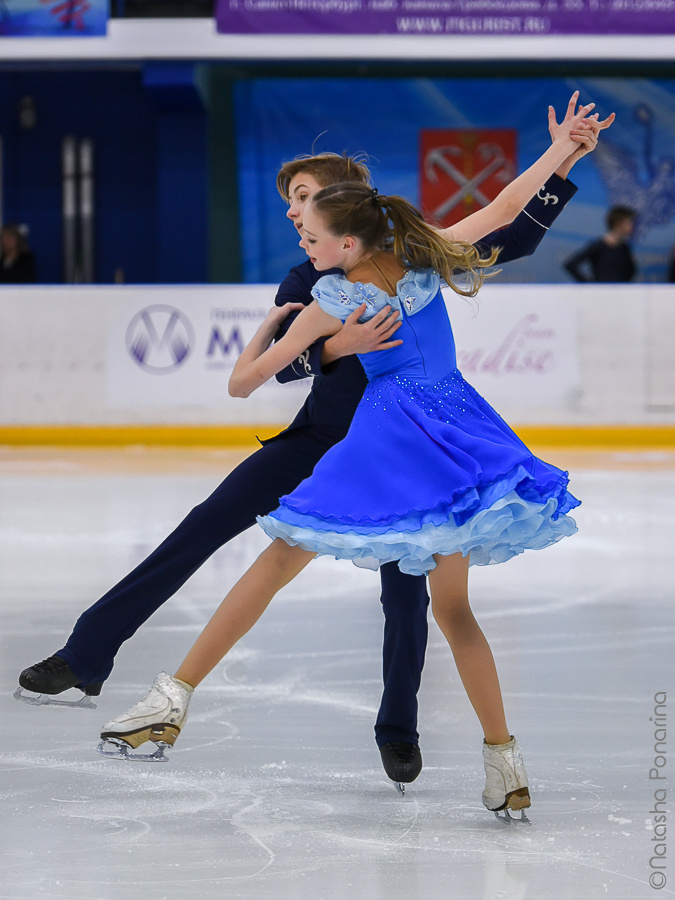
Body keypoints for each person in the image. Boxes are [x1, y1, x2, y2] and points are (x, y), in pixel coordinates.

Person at [18, 95, 610, 792]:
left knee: (404, 598)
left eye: (306, 201)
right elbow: (272, 367)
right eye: (293, 202)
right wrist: (336, 350)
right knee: (222, 530)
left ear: (348, 216)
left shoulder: (396, 257)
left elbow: (511, 222)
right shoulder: (319, 280)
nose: (295, 214)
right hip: (342, 439)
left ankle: (395, 729)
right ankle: (97, 658)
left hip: (400, 445)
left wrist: (565, 153)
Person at [563, 205, 637, 283]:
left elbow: (631, 271)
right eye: (629, 222)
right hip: (601, 292)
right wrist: (589, 284)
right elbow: (571, 264)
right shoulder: (598, 246)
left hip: (621, 292)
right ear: (618, 223)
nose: (632, 226)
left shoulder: (625, 248)